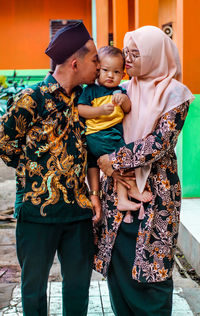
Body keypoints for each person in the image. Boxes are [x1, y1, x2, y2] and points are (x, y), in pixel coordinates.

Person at [0, 21, 101, 316]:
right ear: (74, 62)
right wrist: (36, 169)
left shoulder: (84, 100)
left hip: (77, 211)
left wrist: (93, 193)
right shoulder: (31, 99)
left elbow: (91, 151)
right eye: (95, 59)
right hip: (36, 213)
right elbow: (6, 143)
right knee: (33, 288)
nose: (99, 65)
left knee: (78, 286)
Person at [94, 26, 194, 315]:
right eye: (127, 53)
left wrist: (114, 160)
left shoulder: (176, 94)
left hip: (156, 193)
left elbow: (160, 142)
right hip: (118, 190)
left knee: (152, 266)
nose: (127, 60)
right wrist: (105, 162)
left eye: (135, 54)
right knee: (120, 260)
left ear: (153, 55)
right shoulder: (123, 89)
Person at [78, 46, 152, 223]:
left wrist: (124, 100)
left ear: (123, 74)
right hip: (98, 135)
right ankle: (132, 189)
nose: (110, 75)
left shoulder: (120, 91)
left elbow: (127, 109)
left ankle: (123, 200)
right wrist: (99, 111)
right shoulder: (91, 90)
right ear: (97, 71)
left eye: (116, 71)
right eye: (105, 70)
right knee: (125, 157)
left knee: (122, 162)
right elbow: (81, 109)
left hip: (112, 136)